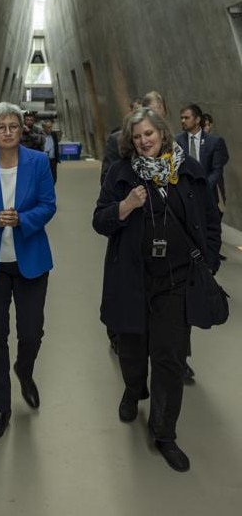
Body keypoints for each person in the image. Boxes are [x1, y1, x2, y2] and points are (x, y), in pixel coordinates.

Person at [93, 107, 220, 472]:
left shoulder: (189, 171)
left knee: (169, 359)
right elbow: (100, 221)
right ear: (130, 143)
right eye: (137, 137)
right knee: (132, 350)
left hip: (177, 282)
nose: (144, 140)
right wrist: (127, 204)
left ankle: (165, 432)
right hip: (132, 280)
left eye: (149, 133)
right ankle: (134, 390)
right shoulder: (120, 174)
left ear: (162, 134)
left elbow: (210, 221)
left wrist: (208, 262)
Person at [0, 102, 56, 442]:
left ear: (21, 130)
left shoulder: (38, 163)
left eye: (13, 126)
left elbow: (49, 204)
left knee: (31, 332)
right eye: (0, 127)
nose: (7, 132)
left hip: (30, 259)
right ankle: (1, 407)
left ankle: (25, 370)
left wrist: (23, 219)